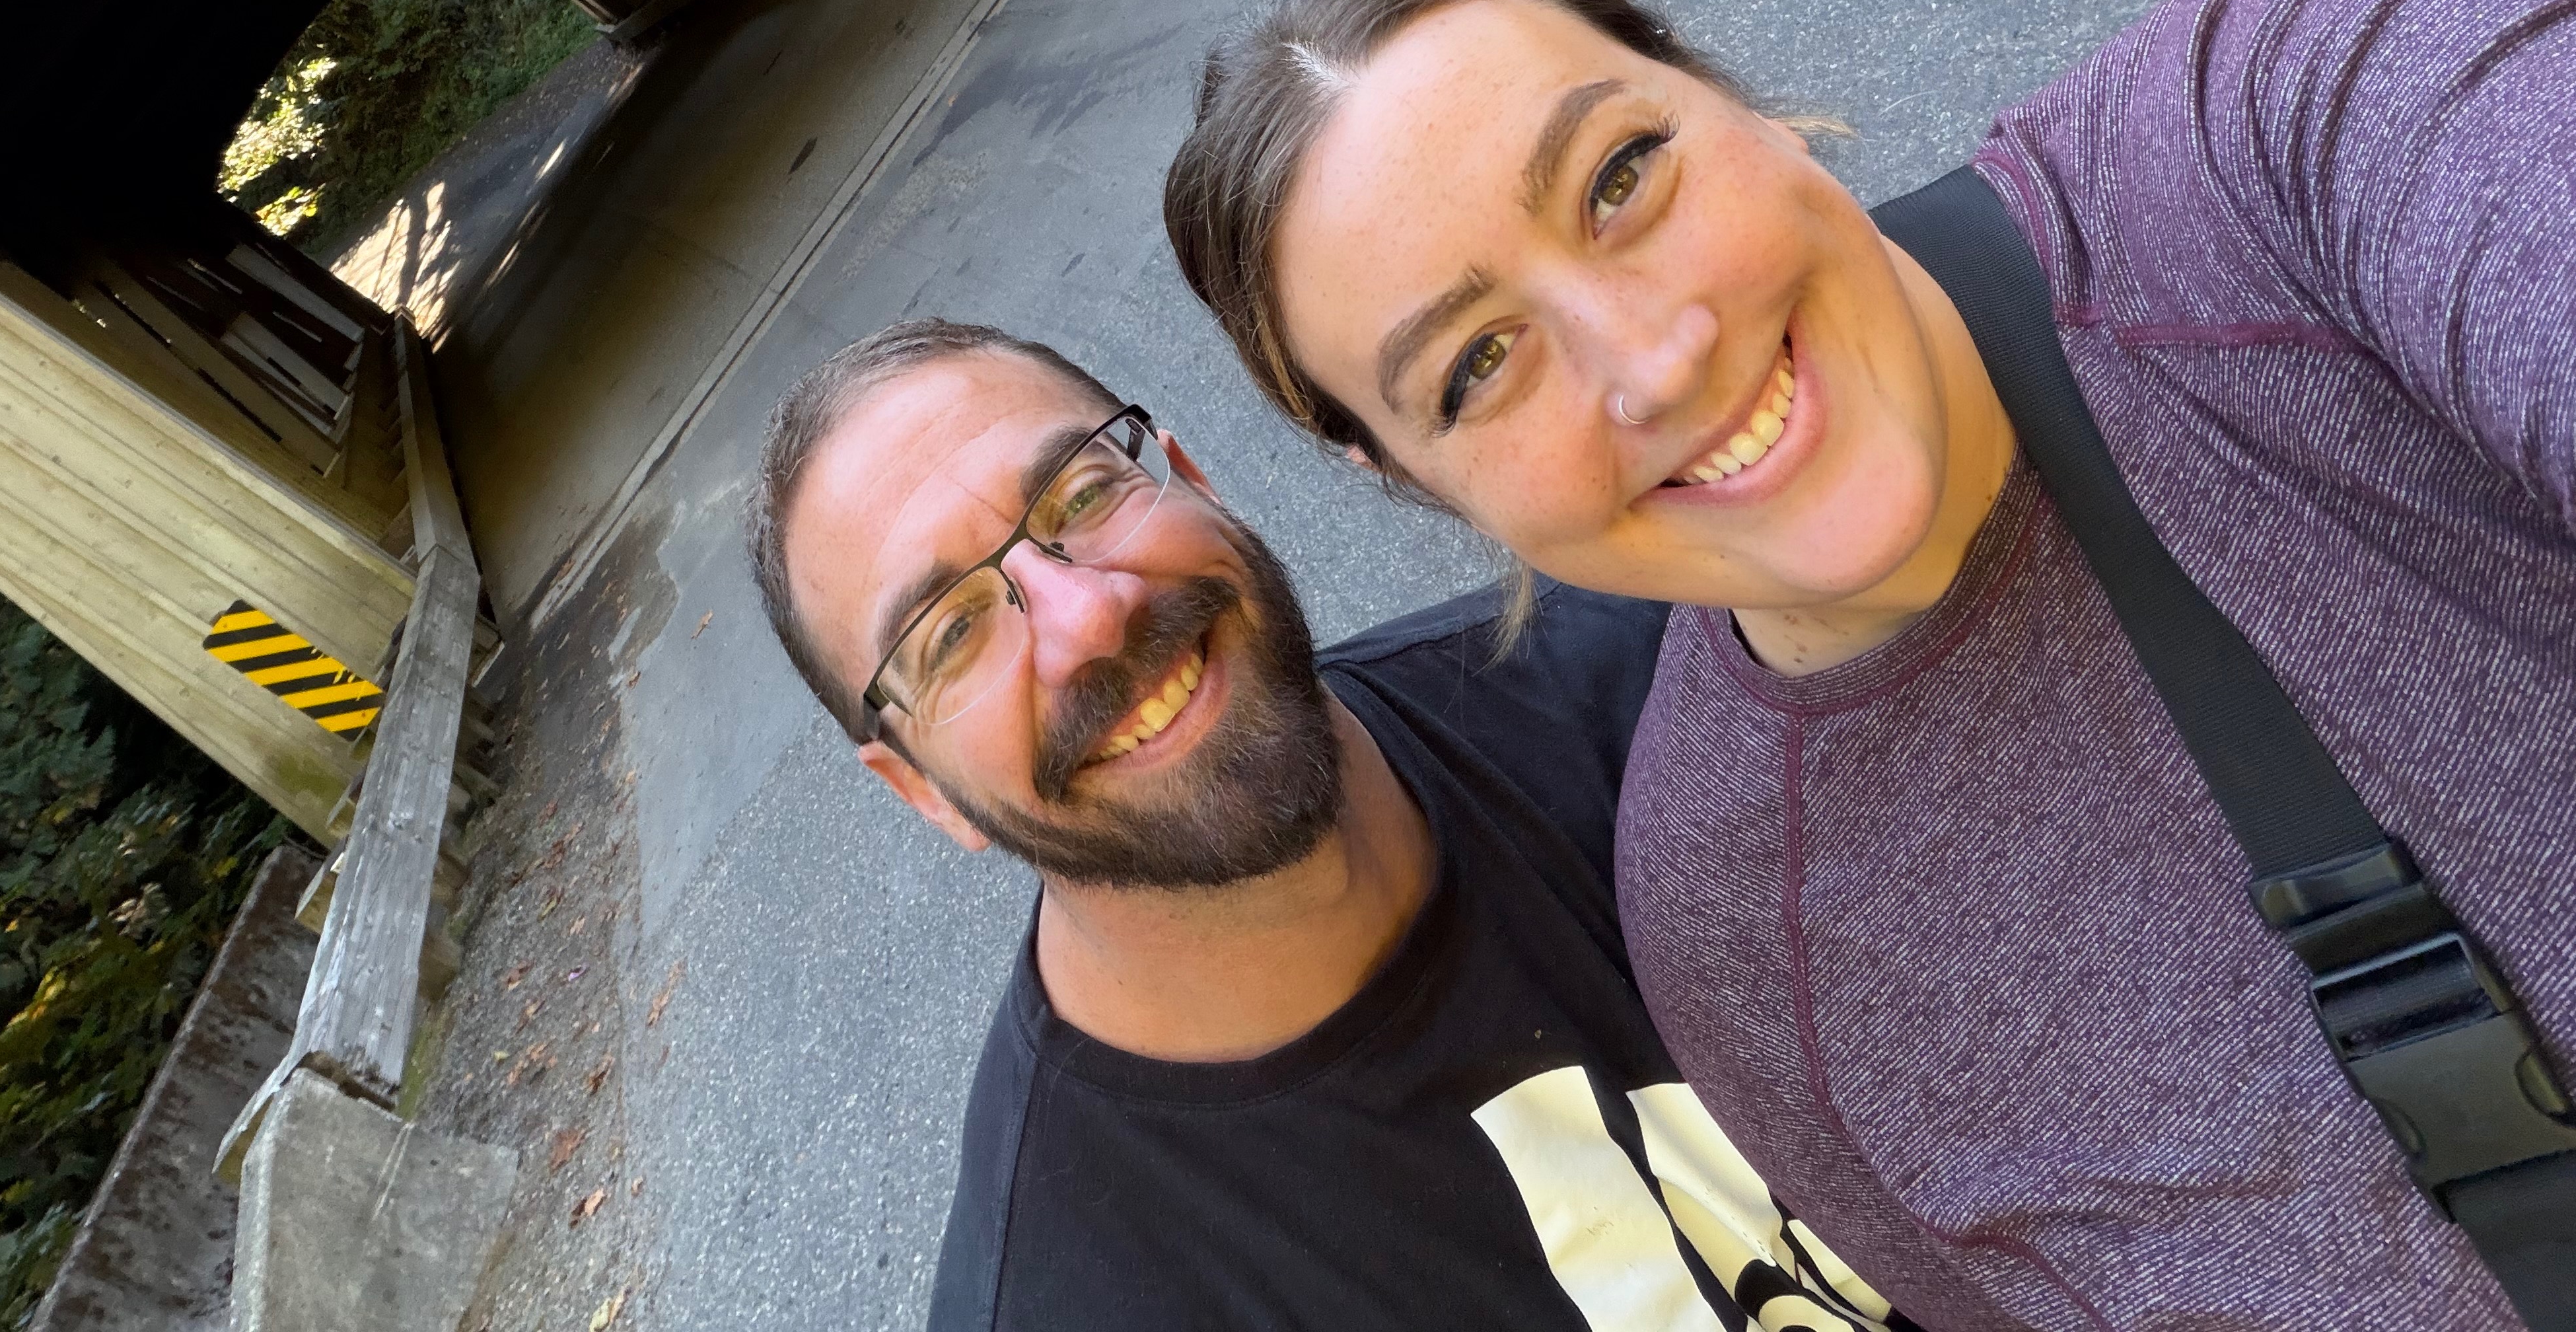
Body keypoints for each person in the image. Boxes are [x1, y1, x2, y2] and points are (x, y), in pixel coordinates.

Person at [1161, 0, 2576, 1331]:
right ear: (1418, 481)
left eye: (1620, 176)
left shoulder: (2320, 115)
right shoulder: (1746, 943)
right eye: (1478, 365)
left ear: (1729, 97)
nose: (1655, 361)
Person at [748, 316, 1906, 1331]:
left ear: (1193, 477)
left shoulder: (1669, 675)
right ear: (922, 789)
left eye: (1083, 496)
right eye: (953, 634)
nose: (1090, 617)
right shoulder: (1074, 1297)